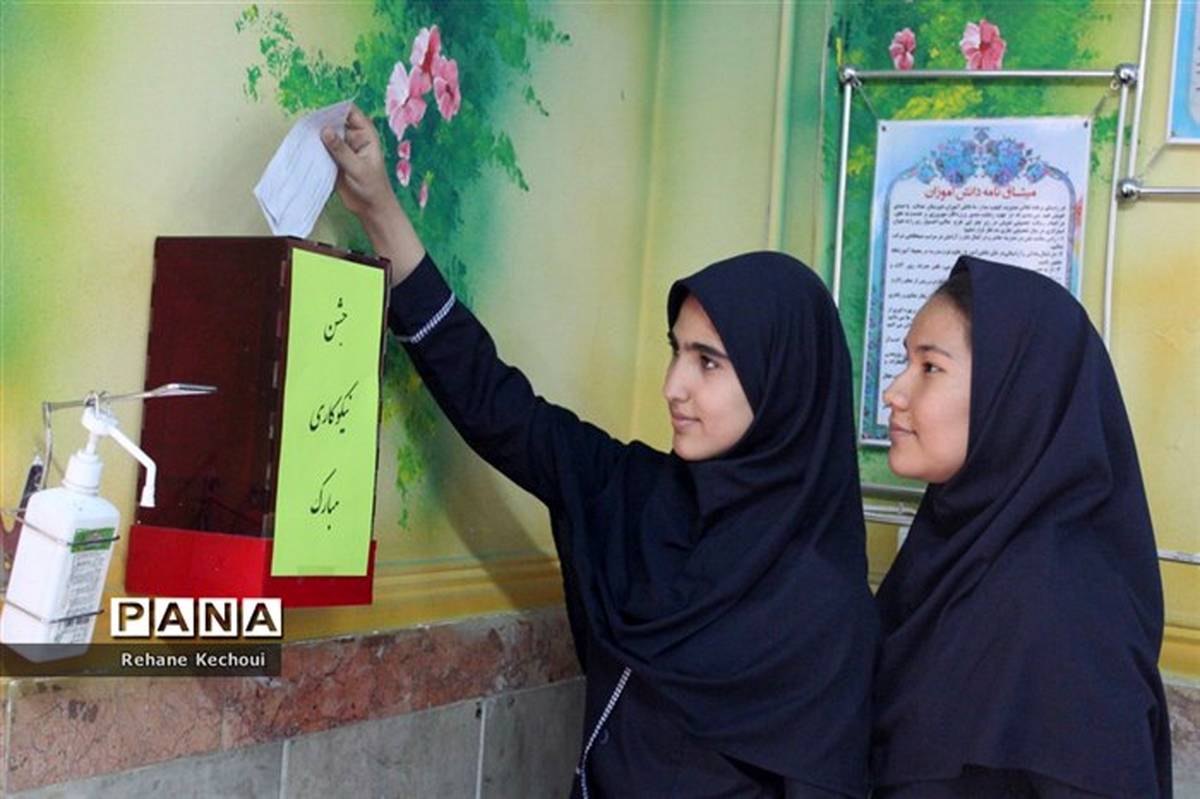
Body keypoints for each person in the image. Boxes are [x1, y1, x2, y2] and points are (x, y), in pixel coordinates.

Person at [322, 105, 879, 798]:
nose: (673, 386)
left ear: (783, 385)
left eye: (709, 362)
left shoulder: (826, 614)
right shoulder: (637, 496)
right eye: (676, 351)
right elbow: (497, 406)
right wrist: (379, 209)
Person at [871, 257, 1172, 798]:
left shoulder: (1062, 617)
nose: (894, 392)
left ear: (1015, 394)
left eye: (930, 367)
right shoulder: (956, 547)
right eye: (905, 362)